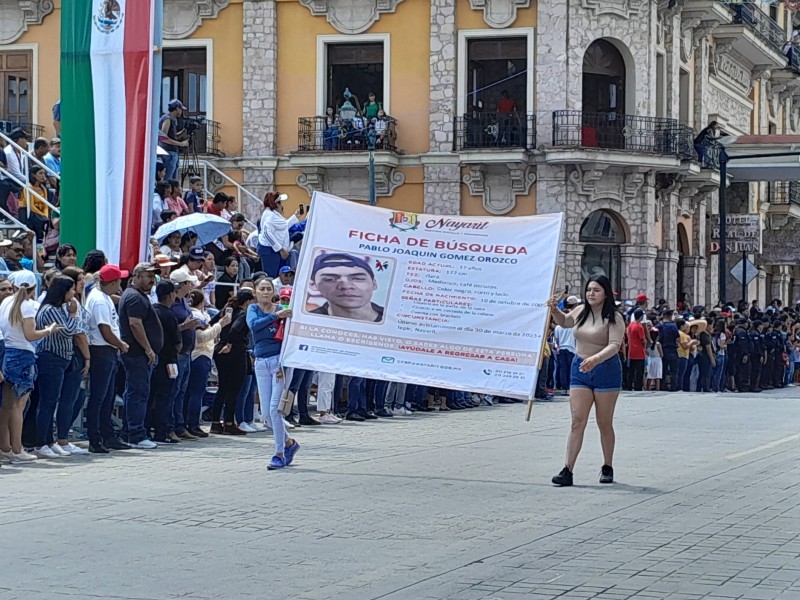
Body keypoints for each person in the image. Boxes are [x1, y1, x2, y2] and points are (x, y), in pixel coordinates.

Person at [546, 275, 625, 487]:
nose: (591, 293)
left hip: (605, 369)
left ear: (606, 293)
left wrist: (596, 358)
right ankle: (567, 469)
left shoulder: (614, 318)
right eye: (589, 289)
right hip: (579, 367)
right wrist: (554, 309)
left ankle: (607, 465)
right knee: (577, 420)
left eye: (596, 290)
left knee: (603, 422)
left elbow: (615, 345)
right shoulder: (581, 311)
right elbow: (564, 321)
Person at [0, 271, 60, 463]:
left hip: (9, 353)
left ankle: (6, 446)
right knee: (19, 406)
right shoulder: (26, 307)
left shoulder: (5, 303)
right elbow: (30, 334)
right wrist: (49, 330)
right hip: (23, 354)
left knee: (8, 405)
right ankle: (17, 449)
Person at [247, 277, 298, 470]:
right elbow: (254, 325)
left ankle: (279, 453)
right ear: (256, 292)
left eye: (269, 289)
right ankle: (290, 443)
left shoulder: (281, 309)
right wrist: (276, 317)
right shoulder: (254, 309)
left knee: (276, 409)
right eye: (262, 289)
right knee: (266, 414)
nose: (266, 292)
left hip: (278, 362)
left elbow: (289, 339)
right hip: (261, 362)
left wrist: (284, 364)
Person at [32, 275, 80, 458]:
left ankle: (49, 441)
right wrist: (74, 314)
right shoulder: (50, 309)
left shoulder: (60, 308)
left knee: (53, 401)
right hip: (51, 359)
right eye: (71, 289)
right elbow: (67, 331)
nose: (74, 293)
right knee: (47, 402)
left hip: (61, 359)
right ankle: (40, 443)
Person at [84, 264, 129, 453]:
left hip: (106, 351)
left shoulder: (103, 297)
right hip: (101, 350)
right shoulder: (100, 300)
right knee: (99, 397)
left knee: (107, 396)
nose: (120, 284)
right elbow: (104, 329)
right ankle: (95, 438)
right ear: (112, 282)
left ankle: (106, 434)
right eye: (119, 280)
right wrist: (120, 344)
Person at [119, 263, 164, 449]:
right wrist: (148, 349)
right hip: (137, 354)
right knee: (138, 393)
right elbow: (135, 324)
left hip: (139, 354)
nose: (152, 280)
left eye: (153, 276)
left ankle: (130, 431)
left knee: (135, 392)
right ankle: (136, 434)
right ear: (137, 276)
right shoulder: (134, 297)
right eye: (148, 275)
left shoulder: (138, 296)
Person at [185, 290, 228, 438]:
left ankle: (188, 423)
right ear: (202, 302)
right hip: (200, 354)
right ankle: (193, 424)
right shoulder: (196, 315)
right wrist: (220, 325)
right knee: (196, 392)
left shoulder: (201, 315)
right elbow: (202, 337)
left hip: (202, 355)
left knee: (192, 392)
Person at [211, 289, 254, 436]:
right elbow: (235, 330)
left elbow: (212, 322)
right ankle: (229, 422)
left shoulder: (226, 310)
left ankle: (215, 422)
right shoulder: (243, 314)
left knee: (222, 388)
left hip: (219, 350)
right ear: (248, 302)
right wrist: (229, 343)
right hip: (235, 350)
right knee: (234, 389)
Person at [149, 280, 182, 444]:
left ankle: (148, 428)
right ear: (170, 295)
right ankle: (163, 430)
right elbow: (178, 342)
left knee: (151, 395)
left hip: (152, 358)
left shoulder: (151, 311)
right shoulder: (169, 315)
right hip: (169, 360)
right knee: (167, 396)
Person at [169, 270, 200, 440]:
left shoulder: (183, 302)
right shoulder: (172, 303)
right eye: (188, 283)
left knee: (181, 391)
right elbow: (170, 327)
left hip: (187, 351)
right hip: (178, 352)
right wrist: (185, 326)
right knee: (174, 391)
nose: (191, 285)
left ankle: (180, 425)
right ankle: (172, 425)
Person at [309, 253, 384, 322]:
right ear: (313, 285)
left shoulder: (393, 321)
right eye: (329, 279)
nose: (346, 286)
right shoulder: (306, 321)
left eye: (358, 279)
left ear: (374, 284)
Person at [257, 191, 302, 277]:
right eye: (279, 202)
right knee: (271, 277)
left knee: (277, 276)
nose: (281, 205)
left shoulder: (273, 214)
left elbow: (283, 225)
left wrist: (295, 217)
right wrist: (280, 249)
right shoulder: (271, 216)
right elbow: (267, 233)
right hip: (270, 251)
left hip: (273, 251)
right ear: (274, 203)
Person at [158, 99, 189, 181]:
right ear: (177, 109)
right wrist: (181, 144)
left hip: (172, 153)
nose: (182, 111)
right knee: (168, 179)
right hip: (168, 153)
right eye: (181, 109)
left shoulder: (172, 120)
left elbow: (170, 137)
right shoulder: (167, 119)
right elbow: (162, 138)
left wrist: (183, 133)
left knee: (173, 180)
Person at [553, 295, 578, 394]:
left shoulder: (558, 327)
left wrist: (556, 348)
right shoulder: (573, 326)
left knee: (563, 369)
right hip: (571, 348)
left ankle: (564, 388)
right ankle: (570, 387)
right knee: (571, 369)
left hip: (561, 349)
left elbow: (555, 339)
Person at [626, 309, 647, 391]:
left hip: (631, 351)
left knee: (631, 370)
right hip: (639, 351)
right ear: (641, 316)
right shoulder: (639, 326)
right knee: (639, 371)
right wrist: (645, 344)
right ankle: (638, 386)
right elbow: (643, 339)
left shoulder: (630, 325)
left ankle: (629, 385)